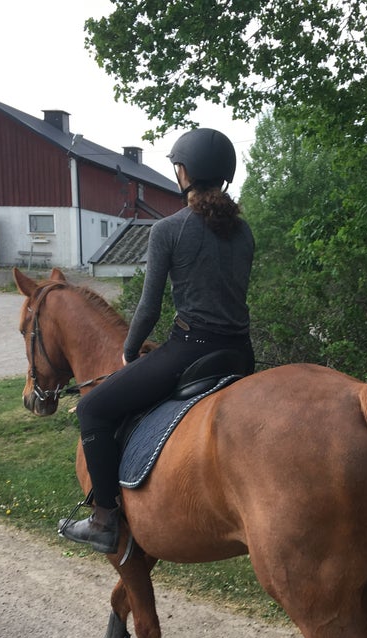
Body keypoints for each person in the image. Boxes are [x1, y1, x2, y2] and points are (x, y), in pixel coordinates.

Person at [58, 128, 255, 554]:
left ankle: (104, 519)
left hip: (190, 350)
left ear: (184, 172)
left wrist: (130, 351)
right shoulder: (244, 233)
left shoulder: (169, 229)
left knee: (92, 408)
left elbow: (148, 308)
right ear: (224, 175)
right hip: (239, 354)